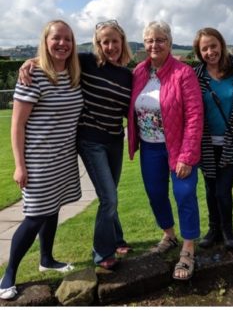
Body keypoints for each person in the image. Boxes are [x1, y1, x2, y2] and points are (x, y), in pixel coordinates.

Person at [17, 20, 134, 270]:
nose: (110, 46)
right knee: (109, 197)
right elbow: (55, 56)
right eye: (105, 42)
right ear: (98, 44)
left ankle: (117, 238)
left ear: (122, 43)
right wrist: (28, 63)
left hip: (115, 141)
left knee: (109, 194)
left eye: (115, 41)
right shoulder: (86, 62)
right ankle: (102, 253)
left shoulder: (128, 76)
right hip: (90, 141)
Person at [1, 20, 83, 300]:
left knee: (53, 207)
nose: (62, 44)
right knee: (34, 216)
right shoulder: (34, 75)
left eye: (68, 39)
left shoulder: (74, 72)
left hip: (63, 157)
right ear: (45, 42)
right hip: (38, 160)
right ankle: (9, 274)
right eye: (56, 39)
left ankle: (47, 258)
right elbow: (17, 124)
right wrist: (19, 165)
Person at [127, 20, 203, 280]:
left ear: (169, 43)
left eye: (160, 39)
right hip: (150, 148)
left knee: (184, 194)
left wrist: (187, 155)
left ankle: (189, 246)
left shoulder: (183, 73)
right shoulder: (138, 71)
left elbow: (194, 116)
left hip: (178, 147)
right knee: (156, 194)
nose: (154, 44)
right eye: (149, 40)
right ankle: (169, 235)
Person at [192, 28, 233, 251]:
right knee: (209, 189)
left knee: (222, 191)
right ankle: (213, 229)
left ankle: (228, 230)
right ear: (199, 52)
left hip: (231, 142)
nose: (210, 51)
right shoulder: (197, 76)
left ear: (221, 45)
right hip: (206, 144)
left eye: (213, 46)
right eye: (204, 48)